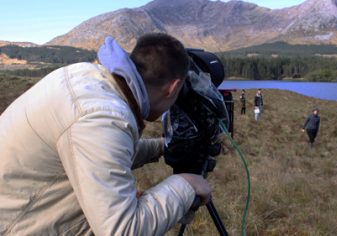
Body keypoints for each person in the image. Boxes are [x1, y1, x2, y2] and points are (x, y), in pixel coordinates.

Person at [0, 34, 211, 235]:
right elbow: (123, 230)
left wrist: (161, 146)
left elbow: (100, 153)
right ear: (173, 88)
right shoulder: (102, 117)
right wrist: (186, 184)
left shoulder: (89, 78)